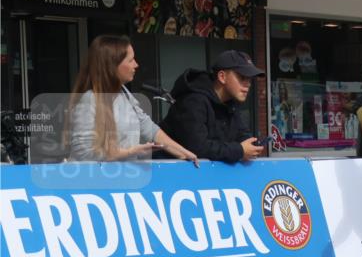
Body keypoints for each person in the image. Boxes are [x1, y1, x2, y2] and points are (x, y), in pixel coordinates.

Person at [68, 35, 197, 164]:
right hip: (98, 181)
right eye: (131, 60)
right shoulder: (90, 99)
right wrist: (131, 152)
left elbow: (149, 128)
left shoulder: (124, 93)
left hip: (123, 179)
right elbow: (83, 153)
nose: (136, 64)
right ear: (113, 65)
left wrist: (183, 153)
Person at [159, 51, 265, 163]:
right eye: (242, 77)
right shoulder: (193, 101)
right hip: (168, 174)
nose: (248, 84)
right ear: (222, 77)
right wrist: (239, 150)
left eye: (249, 79)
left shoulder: (231, 103)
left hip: (202, 176)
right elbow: (197, 148)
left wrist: (252, 146)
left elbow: (242, 134)